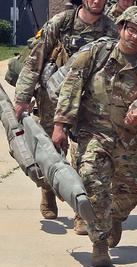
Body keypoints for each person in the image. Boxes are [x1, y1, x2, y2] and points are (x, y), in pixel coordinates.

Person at [53, 6, 137, 267]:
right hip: (93, 133)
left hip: (126, 137)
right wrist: (60, 125)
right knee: (93, 183)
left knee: (133, 189)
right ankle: (99, 243)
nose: (134, 36)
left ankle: (115, 219)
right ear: (121, 28)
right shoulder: (95, 54)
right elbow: (71, 87)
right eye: (131, 29)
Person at [13, 0, 116, 223]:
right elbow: (35, 61)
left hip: (88, 103)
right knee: (49, 152)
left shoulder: (111, 29)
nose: (97, 1)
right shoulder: (61, 23)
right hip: (52, 99)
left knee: (84, 156)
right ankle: (48, 191)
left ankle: (81, 209)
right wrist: (22, 98)